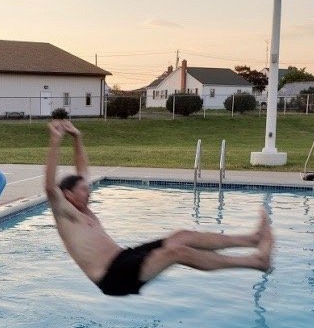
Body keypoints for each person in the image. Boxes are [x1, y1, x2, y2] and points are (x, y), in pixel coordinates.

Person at [44, 120, 273, 296]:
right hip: (111, 277)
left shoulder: (84, 209)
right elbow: (49, 188)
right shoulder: (66, 214)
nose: (89, 191)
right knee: (176, 253)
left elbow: (82, 171)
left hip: (124, 257)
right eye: (84, 190)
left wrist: (77, 137)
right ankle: (256, 262)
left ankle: (252, 239)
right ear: (68, 195)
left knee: (182, 237)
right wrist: (55, 141)